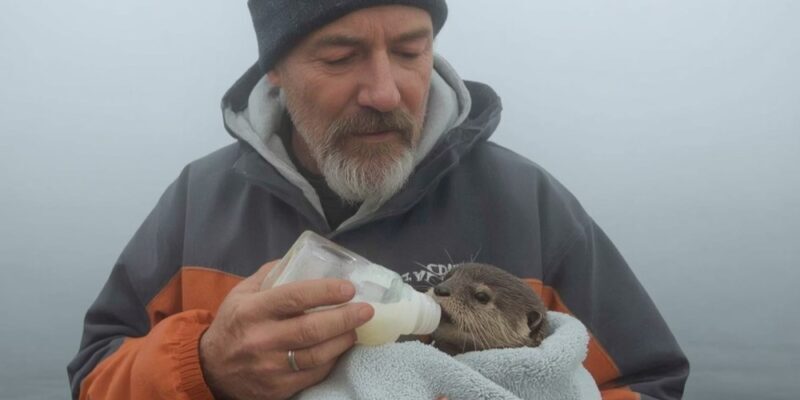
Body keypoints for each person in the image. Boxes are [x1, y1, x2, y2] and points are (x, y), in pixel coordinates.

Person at [68, 1, 689, 399]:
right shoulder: (196, 204)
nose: (386, 92)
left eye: (411, 51)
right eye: (340, 56)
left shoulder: (529, 201)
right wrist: (203, 367)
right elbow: (94, 380)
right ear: (275, 70)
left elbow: (648, 381)